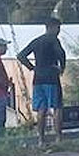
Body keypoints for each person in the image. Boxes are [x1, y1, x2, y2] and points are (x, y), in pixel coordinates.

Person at [17, 17, 66, 146]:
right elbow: (61, 53)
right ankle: (58, 138)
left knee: (41, 109)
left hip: (38, 78)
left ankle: (41, 139)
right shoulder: (53, 39)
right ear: (52, 27)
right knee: (57, 107)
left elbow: (21, 55)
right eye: (58, 28)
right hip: (51, 77)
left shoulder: (36, 41)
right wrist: (62, 67)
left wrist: (32, 67)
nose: (59, 31)